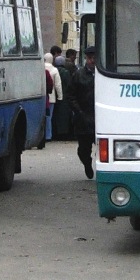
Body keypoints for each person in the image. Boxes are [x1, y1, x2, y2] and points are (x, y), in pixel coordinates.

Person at [66, 45, 97, 179]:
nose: (92, 61)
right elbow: (71, 95)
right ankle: (87, 162)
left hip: (101, 118)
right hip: (83, 117)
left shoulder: (105, 75)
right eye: (89, 58)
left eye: (94, 58)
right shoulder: (78, 75)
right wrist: (79, 112)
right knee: (83, 150)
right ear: (86, 59)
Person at [43, 52, 63, 146]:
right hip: (51, 97)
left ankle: (42, 135)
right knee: (49, 117)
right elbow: (58, 85)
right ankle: (48, 135)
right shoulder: (54, 70)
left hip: (42, 96)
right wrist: (60, 97)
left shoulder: (40, 68)